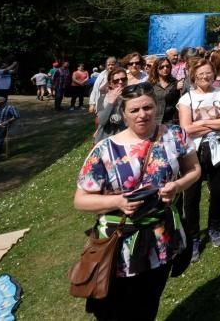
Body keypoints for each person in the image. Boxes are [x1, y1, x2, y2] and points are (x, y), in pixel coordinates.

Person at [74, 82, 201, 321]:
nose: (142, 114)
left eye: (148, 107)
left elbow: (194, 170)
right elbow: (80, 200)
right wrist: (119, 201)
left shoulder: (175, 135)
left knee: (148, 303)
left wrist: (177, 186)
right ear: (123, 113)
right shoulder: (105, 150)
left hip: (161, 238)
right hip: (119, 243)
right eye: (134, 110)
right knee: (115, 309)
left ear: (156, 107)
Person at [177, 58, 220, 261]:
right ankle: (193, 238)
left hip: (219, 147)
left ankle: (214, 227)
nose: (205, 77)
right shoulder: (187, 99)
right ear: (193, 76)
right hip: (194, 151)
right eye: (201, 74)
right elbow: (186, 128)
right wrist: (216, 123)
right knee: (191, 196)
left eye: (208, 73)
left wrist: (202, 123)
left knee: (219, 190)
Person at [94, 69, 130, 144]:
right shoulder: (102, 99)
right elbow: (101, 121)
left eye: (123, 79)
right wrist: (111, 102)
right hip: (105, 141)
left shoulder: (131, 98)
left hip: (124, 140)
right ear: (110, 83)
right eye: (116, 81)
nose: (120, 82)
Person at [0, 94, 20, 161]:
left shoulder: (10, 107)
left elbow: (16, 116)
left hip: (2, 127)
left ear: (3, 102)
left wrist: (7, 122)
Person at [149, 57, 180, 125]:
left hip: (171, 120)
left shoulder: (175, 83)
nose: (165, 69)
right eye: (161, 67)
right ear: (156, 69)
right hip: (154, 120)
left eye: (167, 66)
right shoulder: (150, 84)